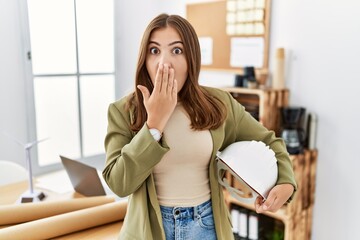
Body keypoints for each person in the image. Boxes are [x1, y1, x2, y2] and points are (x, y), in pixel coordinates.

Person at [102, 13, 297, 240]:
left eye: (177, 50)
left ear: (191, 58)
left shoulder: (219, 103)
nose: (164, 62)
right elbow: (119, 183)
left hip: (206, 227)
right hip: (149, 231)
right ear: (144, 59)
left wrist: (286, 182)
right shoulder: (123, 111)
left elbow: (270, 141)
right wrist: (154, 124)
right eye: (154, 50)